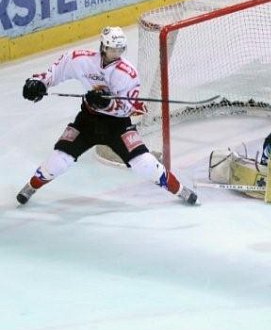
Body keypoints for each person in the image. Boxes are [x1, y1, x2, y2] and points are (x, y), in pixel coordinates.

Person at [17, 26, 198, 205]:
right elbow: (56, 71)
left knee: (145, 164)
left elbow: (127, 109)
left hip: (117, 125)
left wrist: (106, 103)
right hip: (87, 122)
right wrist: (39, 83)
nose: (116, 53)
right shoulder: (81, 60)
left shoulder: (128, 73)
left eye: (120, 49)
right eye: (112, 49)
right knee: (58, 161)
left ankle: (180, 190)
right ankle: (30, 187)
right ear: (103, 47)